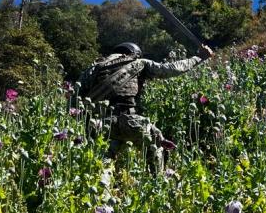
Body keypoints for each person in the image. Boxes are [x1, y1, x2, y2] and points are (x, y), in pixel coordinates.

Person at [78, 42, 212, 167]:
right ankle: (157, 183)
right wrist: (199, 57)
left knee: (103, 163)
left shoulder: (95, 67)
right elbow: (172, 69)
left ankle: (105, 183)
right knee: (156, 145)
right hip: (130, 121)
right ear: (134, 53)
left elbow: (75, 98)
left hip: (99, 124)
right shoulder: (138, 63)